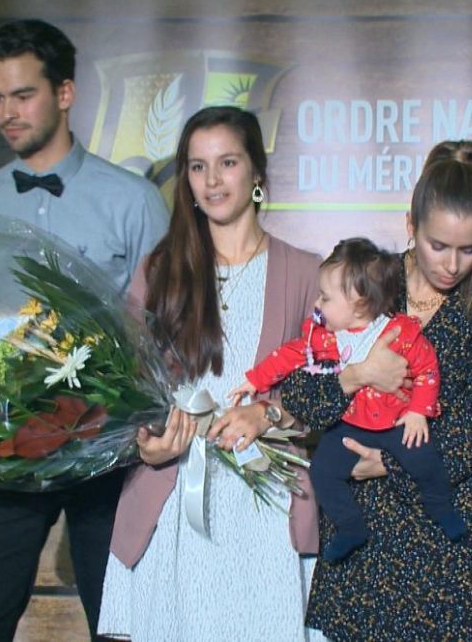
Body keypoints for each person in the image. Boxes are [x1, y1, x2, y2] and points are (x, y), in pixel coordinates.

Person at [0, 19, 169, 640]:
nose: (6, 113)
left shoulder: (133, 201)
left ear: (65, 94)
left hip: (112, 451)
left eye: (22, 96)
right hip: (7, 446)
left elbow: (166, 334)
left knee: (124, 625)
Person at [280, 141, 472, 640]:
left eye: (468, 249)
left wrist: (388, 464)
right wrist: (357, 375)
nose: (453, 265)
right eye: (439, 245)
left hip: (446, 533)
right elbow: (302, 392)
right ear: (410, 224)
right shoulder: (369, 281)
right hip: (367, 532)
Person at [97, 105, 325, 641]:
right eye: (198, 167)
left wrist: (269, 411)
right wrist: (145, 444)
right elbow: (124, 387)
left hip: (266, 510)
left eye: (227, 162)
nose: (213, 180)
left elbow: (329, 386)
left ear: (257, 174)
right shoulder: (161, 269)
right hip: (175, 500)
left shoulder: (307, 271)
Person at [230, 236, 466, 563]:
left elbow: (427, 370)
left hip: (397, 423)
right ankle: (350, 526)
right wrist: (254, 379)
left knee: (426, 461)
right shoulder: (323, 338)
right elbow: (287, 356)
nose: (317, 304)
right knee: (324, 470)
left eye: (325, 298)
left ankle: (442, 509)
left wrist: (418, 412)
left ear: (357, 302)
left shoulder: (399, 333)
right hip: (352, 424)